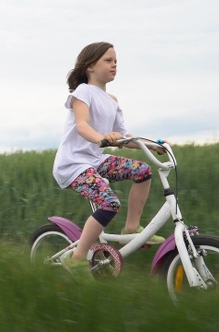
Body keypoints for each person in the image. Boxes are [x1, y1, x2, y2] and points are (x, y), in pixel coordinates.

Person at [52, 42, 165, 275]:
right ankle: (77, 259)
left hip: (95, 160)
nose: (114, 65)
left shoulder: (112, 100)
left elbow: (125, 137)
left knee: (142, 171)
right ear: (90, 66)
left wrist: (154, 146)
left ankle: (131, 229)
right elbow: (82, 125)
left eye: (116, 61)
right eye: (108, 60)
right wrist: (101, 138)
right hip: (73, 164)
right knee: (109, 203)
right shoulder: (82, 92)